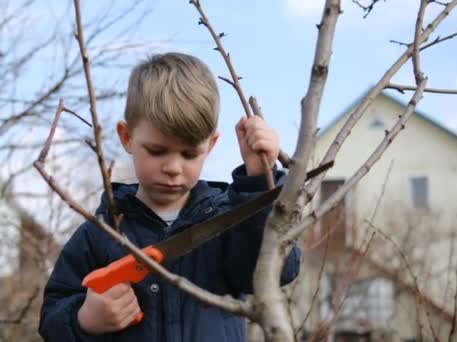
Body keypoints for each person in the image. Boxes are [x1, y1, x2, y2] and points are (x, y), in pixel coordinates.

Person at [39, 52, 301, 341]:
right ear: (127, 138)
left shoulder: (228, 221)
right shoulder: (99, 234)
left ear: (211, 145)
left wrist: (257, 183)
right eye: (157, 151)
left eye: (189, 154)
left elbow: (278, 271)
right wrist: (84, 320)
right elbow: (51, 320)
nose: (173, 168)